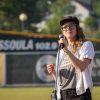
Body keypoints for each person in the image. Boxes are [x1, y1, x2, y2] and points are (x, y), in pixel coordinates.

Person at [47, 16, 95, 100]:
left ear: (76, 28)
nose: (68, 28)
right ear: (62, 31)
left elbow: (81, 67)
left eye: (71, 25)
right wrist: (54, 72)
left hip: (79, 94)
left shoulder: (86, 45)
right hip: (63, 94)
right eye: (65, 27)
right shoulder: (61, 51)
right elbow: (59, 81)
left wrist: (66, 50)